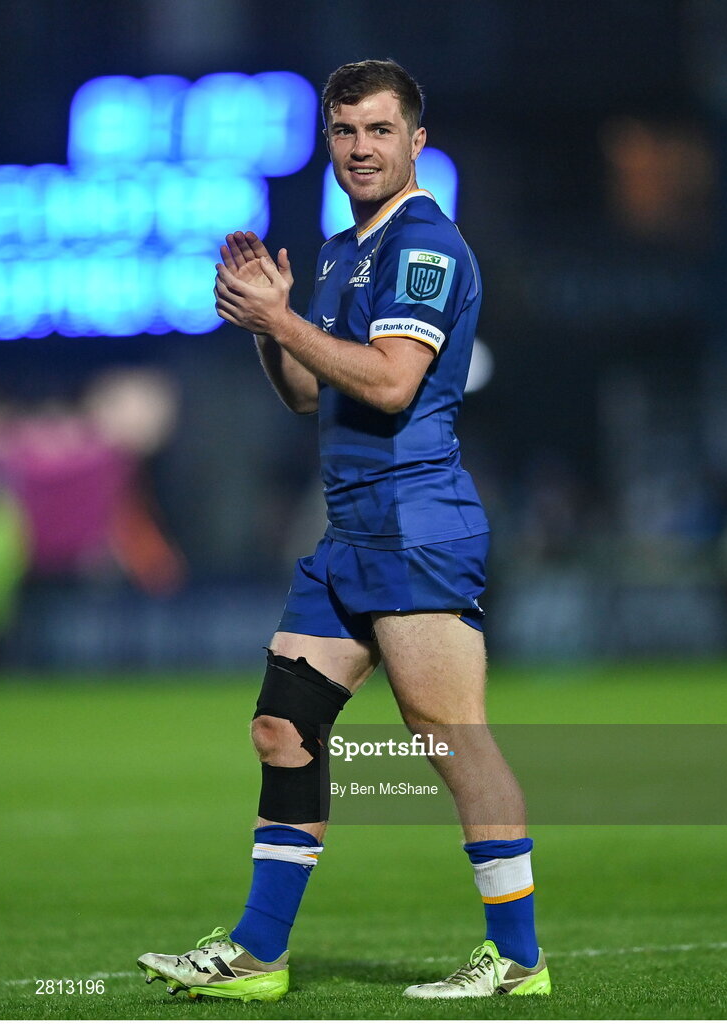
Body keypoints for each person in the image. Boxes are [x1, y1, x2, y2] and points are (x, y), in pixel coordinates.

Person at [137, 58, 551, 1003]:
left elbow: (392, 381)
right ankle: (257, 956)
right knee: (284, 727)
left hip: (415, 525)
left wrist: (287, 319)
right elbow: (307, 394)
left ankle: (519, 959)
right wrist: (264, 325)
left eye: (378, 131)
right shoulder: (337, 251)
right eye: (344, 131)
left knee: (451, 740)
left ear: (416, 142)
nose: (360, 148)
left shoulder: (425, 246)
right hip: (349, 536)